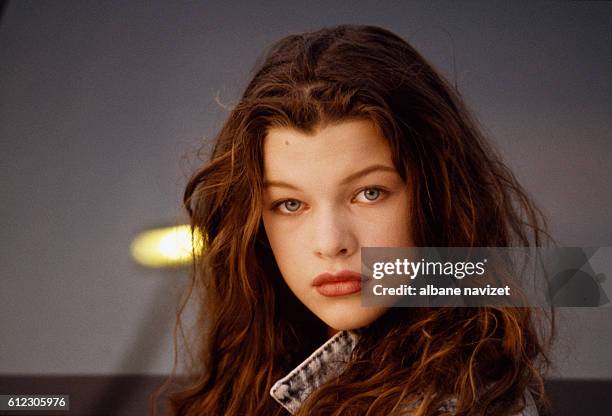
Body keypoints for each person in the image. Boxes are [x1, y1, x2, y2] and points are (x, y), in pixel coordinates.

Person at [158, 24, 554, 415]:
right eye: (290, 204)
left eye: (369, 193)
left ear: (438, 197)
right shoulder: (254, 370)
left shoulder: (461, 404)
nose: (330, 242)